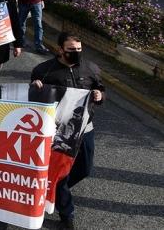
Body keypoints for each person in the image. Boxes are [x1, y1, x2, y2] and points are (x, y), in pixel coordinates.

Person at [30, 32, 104, 230]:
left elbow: (101, 89)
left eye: (79, 49)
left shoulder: (91, 68)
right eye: (71, 49)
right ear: (60, 49)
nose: (76, 53)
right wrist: (35, 88)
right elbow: (33, 101)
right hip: (58, 132)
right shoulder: (43, 70)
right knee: (61, 172)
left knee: (85, 169)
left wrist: (99, 95)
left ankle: (53, 189)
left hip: (85, 129)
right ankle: (67, 215)